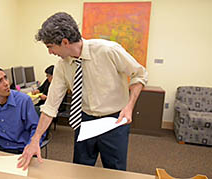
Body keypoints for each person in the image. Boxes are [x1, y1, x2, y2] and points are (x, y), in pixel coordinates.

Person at [18, 12, 148, 170]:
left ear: (65, 42)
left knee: (115, 169)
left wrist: (129, 107)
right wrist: (35, 139)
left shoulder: (108, 50)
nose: (50, 52)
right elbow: (51, 105)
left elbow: (139, 75)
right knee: (81, 167)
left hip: (114, 121)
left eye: (50, 47)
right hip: (84, 120)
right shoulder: (62, 66)